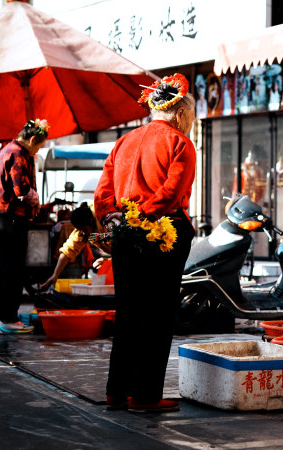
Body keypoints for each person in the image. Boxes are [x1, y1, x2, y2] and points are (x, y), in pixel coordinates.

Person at [94, 73, 196, 413]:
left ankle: (116, 393)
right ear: (180, 112)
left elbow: (103, 191)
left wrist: (117, 217)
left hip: (124, 232)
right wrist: (145, 216)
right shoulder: (180, 143)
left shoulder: (123, 141)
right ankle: (145, 396)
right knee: (157, 313)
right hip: (163, 232)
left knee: (128, 312)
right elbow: (173, 191)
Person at [0, 119, 48, 334]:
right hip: (12, 215)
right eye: (38, 146)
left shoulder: (6, 149)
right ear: (32, 139)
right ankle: (9, 318)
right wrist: (36, 199)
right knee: (14, 268)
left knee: (6, 267)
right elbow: (21, 188)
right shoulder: (19, 152)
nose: (37, 150)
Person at [40, 202, 112, 290]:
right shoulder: (82, 231)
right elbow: (68, 250)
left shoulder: (108, 219)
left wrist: (108, 261)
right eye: (82, 230)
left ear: (91, 221)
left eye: (85, 229)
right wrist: (55, 275)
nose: (85, 233)